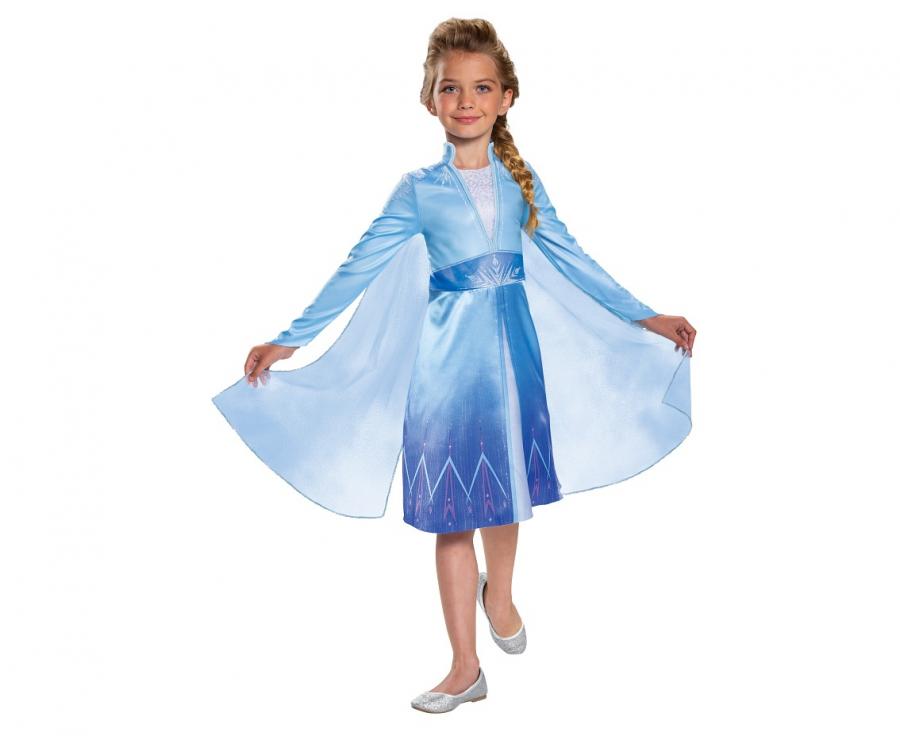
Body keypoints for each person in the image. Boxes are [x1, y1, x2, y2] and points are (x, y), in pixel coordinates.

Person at [212, 18, 695, 713]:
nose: (466, 101)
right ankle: (466, 667)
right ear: (429, 99)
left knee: (507, 493)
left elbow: (571, 255)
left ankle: (501, 594)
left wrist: (645, 316)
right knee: (453, 513)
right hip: (446, 372)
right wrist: (291, 340)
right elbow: (358, 266)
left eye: (482, 88)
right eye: (450, 88)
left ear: (506, 98)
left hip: (514, 361)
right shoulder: (418, 191)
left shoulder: (520, 182)